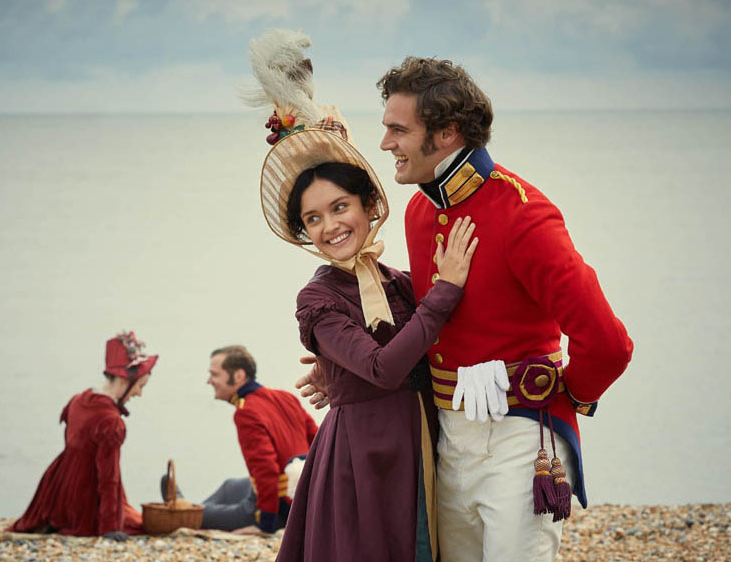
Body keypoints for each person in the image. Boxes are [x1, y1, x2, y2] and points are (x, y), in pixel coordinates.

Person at [373, 57, 634, 561]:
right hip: (448, 439)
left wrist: (565, 396)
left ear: (447, 132)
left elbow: (608, 343)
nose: (386, 143)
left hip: (521, 441)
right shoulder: (420, 210)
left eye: (398, 130)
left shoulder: (523, 213)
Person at [259, 124, 479, 562]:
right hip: (361, 456)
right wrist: (445, 290)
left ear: (370, 205)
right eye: (313, 219)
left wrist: (334, 368)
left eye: (340, 207)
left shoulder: (399, 282)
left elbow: (429, 346)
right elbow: (383, 368)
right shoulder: (317, 297)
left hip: (421, 441)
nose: (330, 227)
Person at [8, 331, 157, 541]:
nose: (139, 393)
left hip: (55, 490)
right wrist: (110, 527)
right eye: (140, 386)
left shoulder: (78, 400)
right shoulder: (111, 422)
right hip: (85, 496)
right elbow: (109, 478)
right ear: (125, 380)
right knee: (141, 524)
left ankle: (57, 518)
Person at [180, 345, 318, 534]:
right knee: (229, 486)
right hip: (296, 495)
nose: (209, 380)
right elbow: (320, 442)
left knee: (200, 517)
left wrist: (264, 524)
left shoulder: (246, 412)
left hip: (279, 507)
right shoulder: (285, 397)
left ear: (238, 376)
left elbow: (266, 471)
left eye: (214, 374)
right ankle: (185, 505)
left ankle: (183, 512)